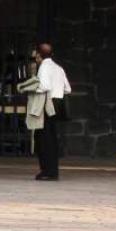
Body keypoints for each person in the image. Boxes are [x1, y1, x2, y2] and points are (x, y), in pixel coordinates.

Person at [28, 43, 71, 181]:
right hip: (57, 104)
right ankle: (53, 170)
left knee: (42, 138)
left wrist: (30, 88)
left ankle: (46, 171)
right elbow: (68, 89)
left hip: (47, 103)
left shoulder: (44, 67)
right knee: (52, 137)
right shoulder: (58, 68)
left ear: (39, 55)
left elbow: (44, 86)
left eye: (36, 55)